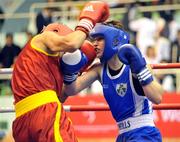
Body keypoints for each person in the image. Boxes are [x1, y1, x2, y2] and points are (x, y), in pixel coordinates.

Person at [11, 1, 109, 142]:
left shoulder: (48, 64)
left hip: (22, 122)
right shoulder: (43, 38)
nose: (64, 54)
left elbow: (60, 97)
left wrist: (71, 73)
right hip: (44, 115)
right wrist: (87, 20)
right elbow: (72, 43)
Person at [62, 20, 164, 142]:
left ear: (114, 39)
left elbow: (158, 97)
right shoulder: (99, 70)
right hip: (122, 136)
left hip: (144, 133)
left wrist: (141, 71)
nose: (94, 44)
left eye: (100, 39)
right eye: (94, 40)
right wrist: (70, 70)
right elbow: (71, 89)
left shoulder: (135, 65)